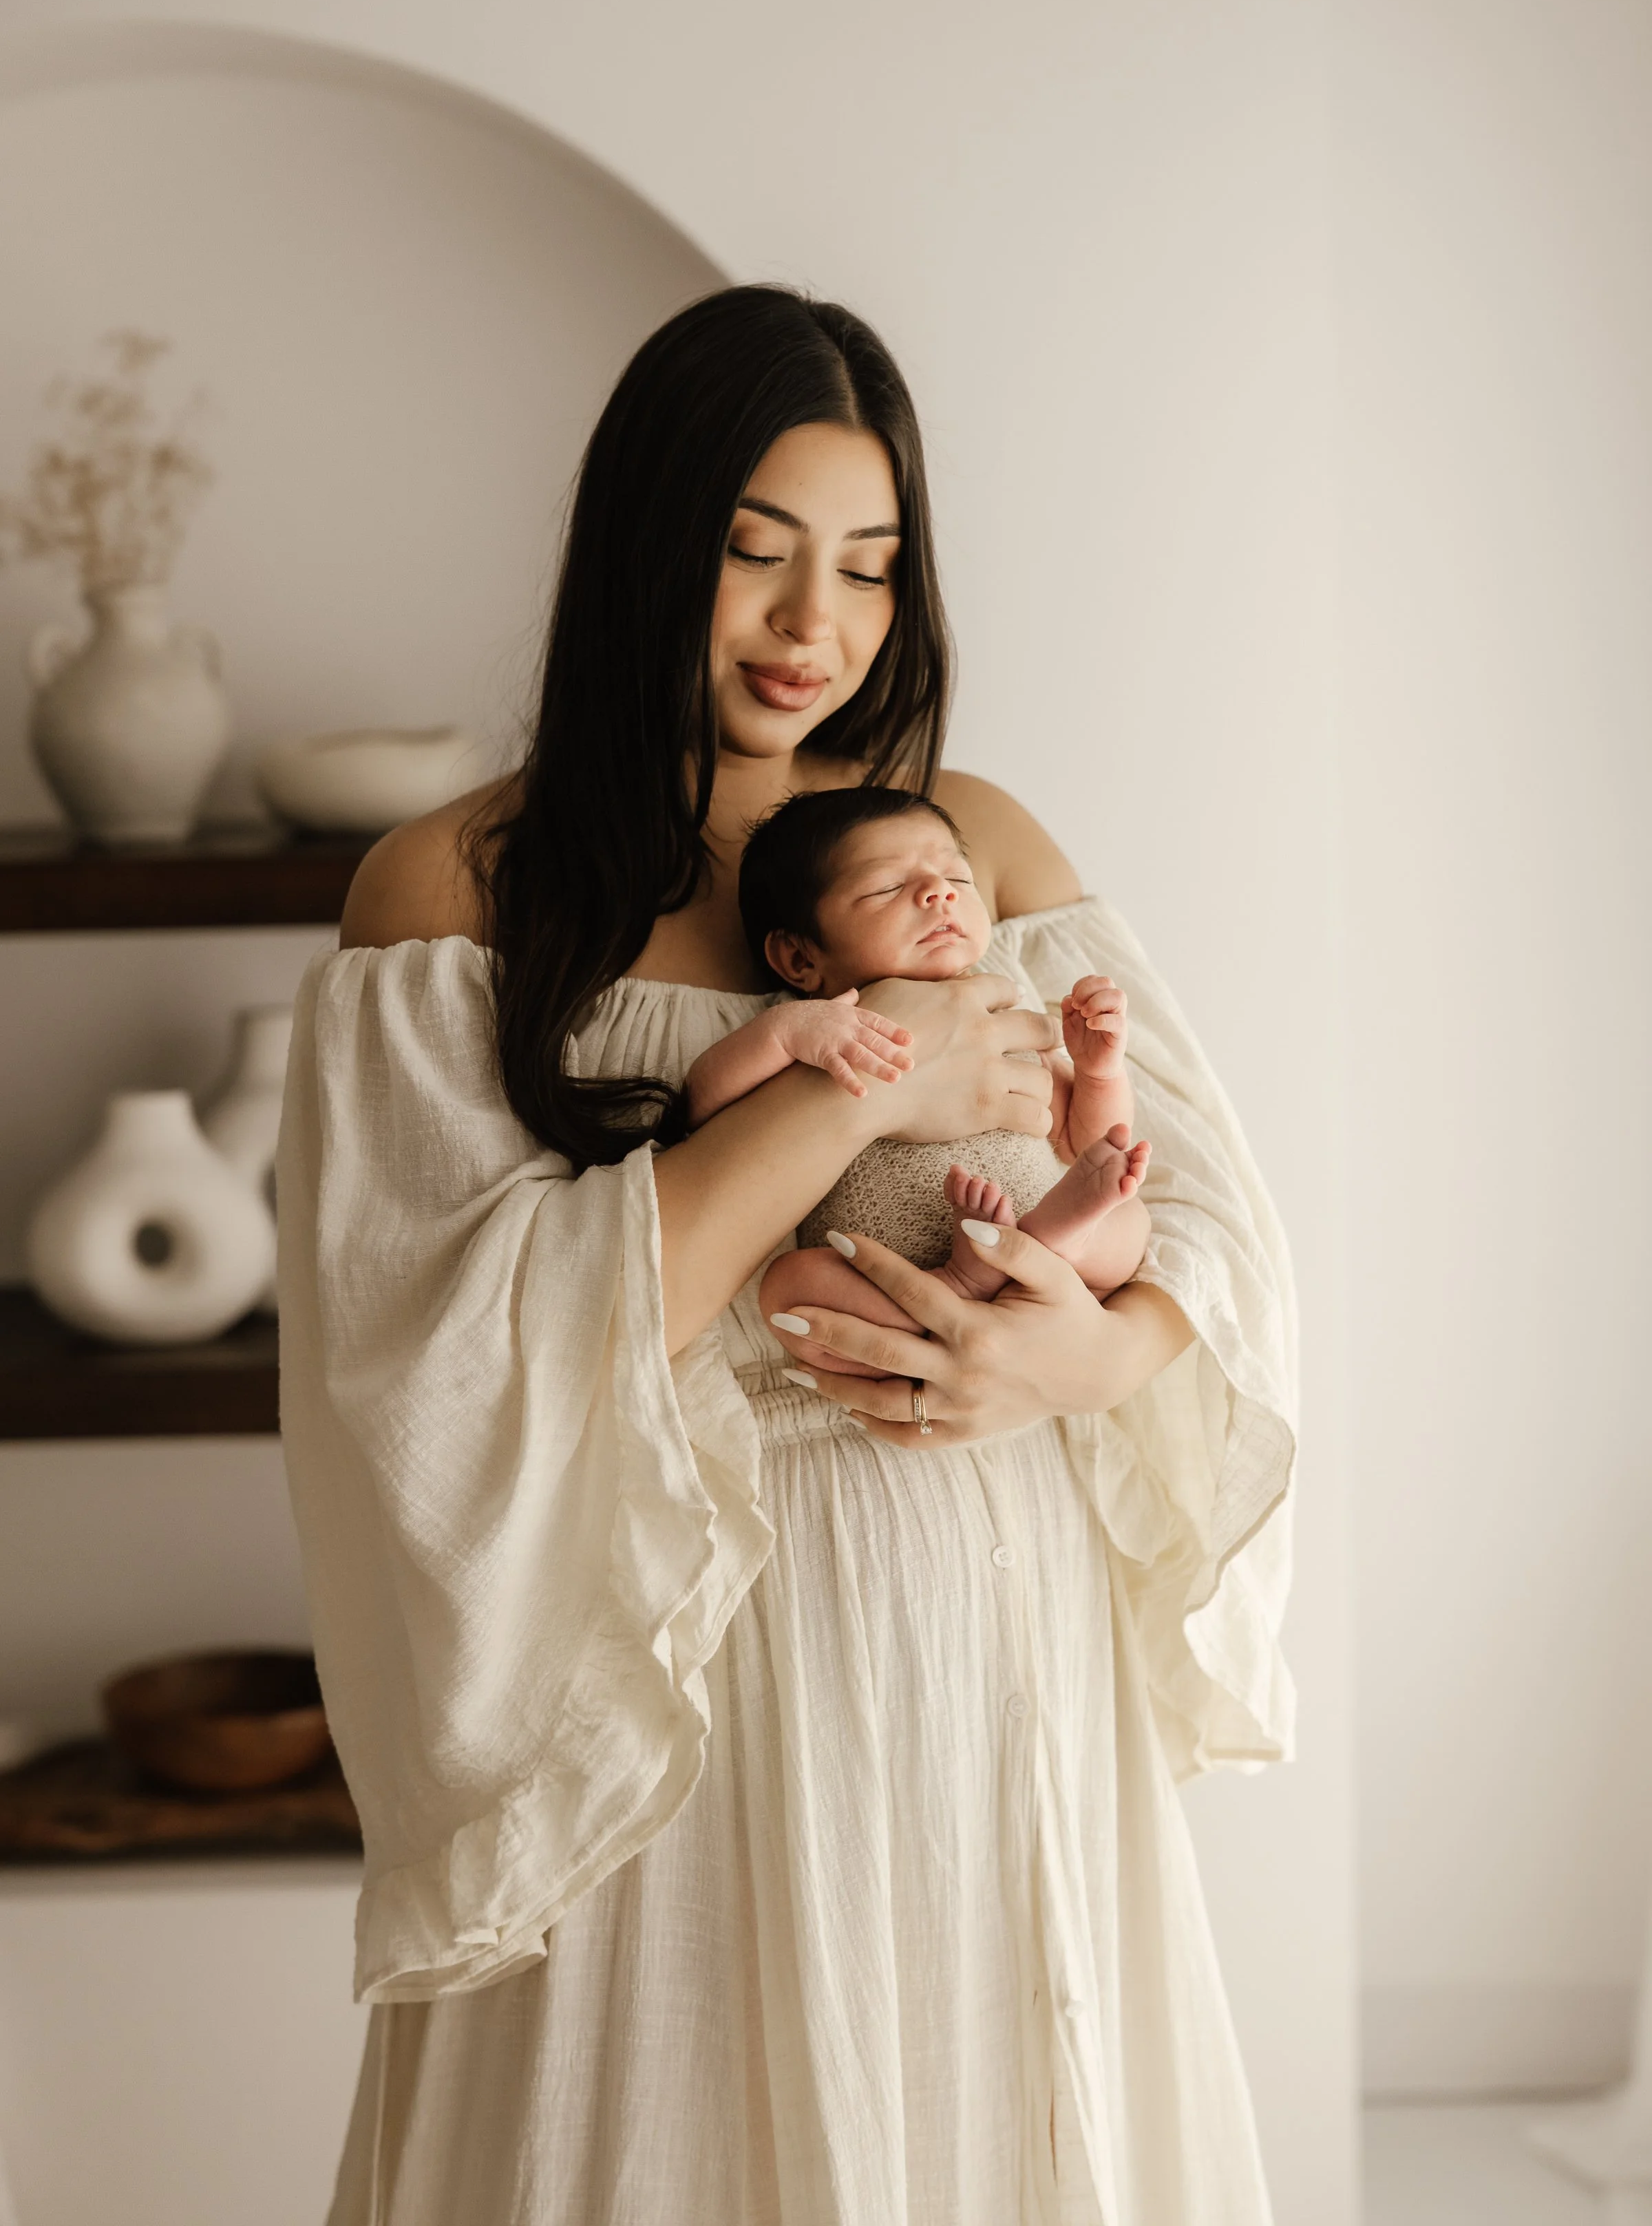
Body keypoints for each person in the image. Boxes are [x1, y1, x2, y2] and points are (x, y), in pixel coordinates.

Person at [276, 285, 1299, 2225]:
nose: (809, 628)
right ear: (648, 541)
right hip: (665, 1684)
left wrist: (1078, 1356)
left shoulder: (968, 850)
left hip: (986, 1649)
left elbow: (1219, 1228)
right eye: (754, 555)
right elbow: (443, 1372)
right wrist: (855, 1108)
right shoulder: (457, 893)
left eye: (868, 568)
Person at [678, 785, 1152, 1391]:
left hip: (1042, 1249)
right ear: (800, 960)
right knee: (790, 1291)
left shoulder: (1004, 1009)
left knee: (1129, 1219)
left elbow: (1085, 1138)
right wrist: (783, 1035)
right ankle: (965, 1279)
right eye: (886, 887)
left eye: (958, 876)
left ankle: (1045, 1241)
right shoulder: (824, 1029)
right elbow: (702, 1104)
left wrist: (1098, 1073)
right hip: (893, 1278)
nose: (940, 892)